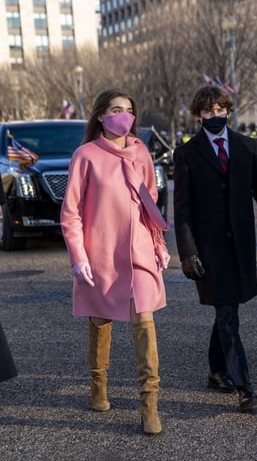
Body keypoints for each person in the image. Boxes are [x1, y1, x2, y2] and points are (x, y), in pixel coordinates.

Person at [61, 89, 170, 435]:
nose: (124, 115)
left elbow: (150, 202)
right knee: (101, 320)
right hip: (101, 254)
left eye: (129, 110)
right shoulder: (86, 155)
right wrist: (78, 256)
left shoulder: (140, 152)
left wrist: (159, 244)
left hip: (138, 251)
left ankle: (149, 404)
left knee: (144, 321)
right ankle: (98, 384)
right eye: (116, 109)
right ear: (100, 116)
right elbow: (71, 212)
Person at [173, 86, 257, 413]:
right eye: (208, 111)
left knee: (228, 312)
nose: (215, 115)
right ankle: (244, 385)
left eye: (221, 109)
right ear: (198, 115)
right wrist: (187, 251)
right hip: (208, 249)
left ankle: (216, 370)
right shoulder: (188, 154)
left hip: (241, 245)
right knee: (227, 315)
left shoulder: (247, 146)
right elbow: (182, 211)